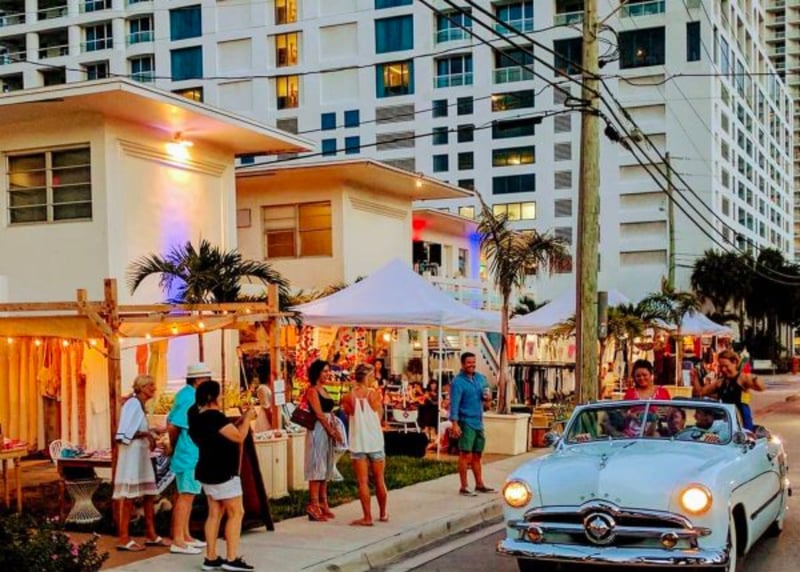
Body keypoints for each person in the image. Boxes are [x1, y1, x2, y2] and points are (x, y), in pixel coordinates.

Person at [188, 380, 257, 572]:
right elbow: (238, 437)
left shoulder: (196, 417)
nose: (222, 397)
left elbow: (225, 430)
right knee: (236, 513)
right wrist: (248, 418)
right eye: (219, 394)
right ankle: (231, 558)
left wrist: (240, 420)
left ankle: (210, 557)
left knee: (215, 513)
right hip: (223, 471)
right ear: (212, 397)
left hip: (206, 469)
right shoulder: (214, 417)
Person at [113, 375, 167, 552]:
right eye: (151, 385)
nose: (154, 388)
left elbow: (136, 428)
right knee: (129, 496)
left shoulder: (139, 405)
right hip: (132, 456)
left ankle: (151, 534)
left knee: (149, 494)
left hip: (141, 455)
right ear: (142, 387)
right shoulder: (132, 404)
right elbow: (122, 434)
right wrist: (147, 435)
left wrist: (151, 431)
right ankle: (123, 538)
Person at [166, 363, 211, 555]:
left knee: (187, 495)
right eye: (206, 378)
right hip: (188, 452)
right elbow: (173, 425)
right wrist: (173, 445)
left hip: (190, 452)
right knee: (185, 496)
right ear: (198, 380)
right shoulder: (190, 397)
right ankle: (178, 539)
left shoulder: (187, 395)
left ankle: (185, 535)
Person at [341, 363, 388, 526]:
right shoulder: (374, 394)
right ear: (367, 377)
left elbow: (348, 415)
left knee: (362, 482)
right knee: (379, 479)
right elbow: (379, 415)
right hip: (374, 439)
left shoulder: (348, 397)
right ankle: (383, 513)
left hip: (358, 440)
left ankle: (367, 517)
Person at [449, 352, 494, 496]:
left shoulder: (480, 378)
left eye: (473, 362)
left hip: (478, 421)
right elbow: (454, 404)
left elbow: (486, 398)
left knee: (477, 454)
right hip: (465, 421)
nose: (472, 365)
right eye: (469, 362)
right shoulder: (457, 382)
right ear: (463, 364)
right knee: (465, 454)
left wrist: (488, 399)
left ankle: (479, 484)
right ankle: (464, 486)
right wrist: (454, 424)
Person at [304, 359, 343, 521]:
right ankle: (313, 504)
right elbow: (319, 414)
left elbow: (329, 412)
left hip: (327, 428)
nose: (328, 374)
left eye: (328, 371)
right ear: (317, 373)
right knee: (317, 465)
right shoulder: (312, 391)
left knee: (326, 466)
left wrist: (335, 429)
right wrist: (330, 430)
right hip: (318, 430)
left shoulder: (324, 390)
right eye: (325, 371)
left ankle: (323, 502)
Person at [693, 349, 764, 430]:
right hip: (727, 422)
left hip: (743, 423)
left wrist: (755, 380)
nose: (723, 369)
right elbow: (700, 392)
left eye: (726, 366)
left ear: (734, 363)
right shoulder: (720, 383)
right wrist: (695, 377)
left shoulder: (742, 378)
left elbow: (761, 387)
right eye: (721, 366)